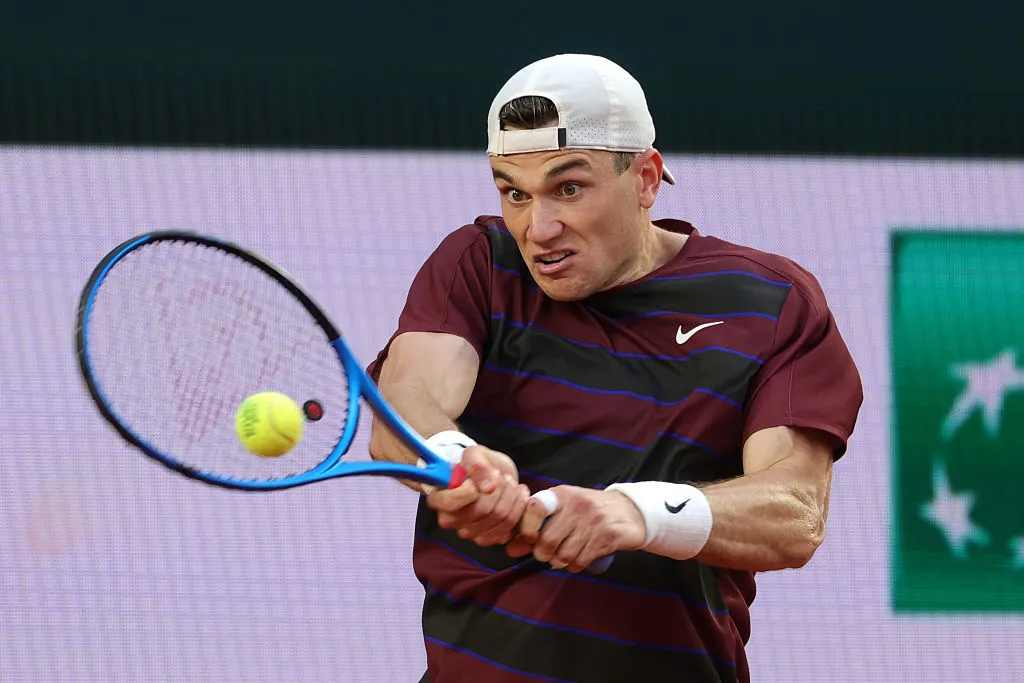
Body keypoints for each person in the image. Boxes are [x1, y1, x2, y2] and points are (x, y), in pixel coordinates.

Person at [367, 53, 863, 683]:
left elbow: (795, 512)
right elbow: (404, 398)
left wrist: (635, 514)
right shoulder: (481, 264)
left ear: (646, 179)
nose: (537, 227)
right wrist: (451, 457)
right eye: (513, 191)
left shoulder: (767, 300)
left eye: (568, 188)